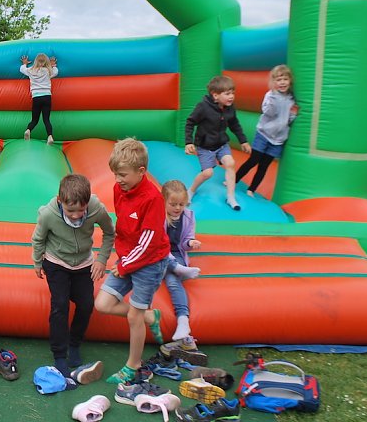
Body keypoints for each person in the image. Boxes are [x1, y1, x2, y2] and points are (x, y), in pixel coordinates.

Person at [94, 138, 169, 384]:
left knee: (133, 316)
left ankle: (133, 365)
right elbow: (124, 222)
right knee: (103, 304)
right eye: (115, 174)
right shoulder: (120, 189)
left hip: (149, 263)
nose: (117, 180)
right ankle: (150, 316)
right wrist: (122, 254)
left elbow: (148, 241)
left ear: (141, 172)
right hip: (128, 256)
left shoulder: (153, 198)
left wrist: (125, 265)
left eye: (123, 174)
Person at [32, 173, 115, 377]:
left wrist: (102, 259)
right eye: (71, 210)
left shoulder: (96, 208)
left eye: (81, 210)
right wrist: (37, 262)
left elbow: (109, 232)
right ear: (60, 201)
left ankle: (74, 343)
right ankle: (59, 354)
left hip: (83, 263)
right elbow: (38, 238)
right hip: (56, 262)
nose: (76, 215)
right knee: (59, 305)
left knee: (86, 304)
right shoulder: (48, 214)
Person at [184, 75, 251, 210]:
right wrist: (188, 142)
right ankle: (190, 191)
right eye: (227, 94)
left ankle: (231, 197)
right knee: (208, 173)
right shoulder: (203, 107)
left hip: (221, 145)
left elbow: (235, 125)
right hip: (205, 147)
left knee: (230, 163)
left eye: (232, 93)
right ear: (215, 96)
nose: (231, 96)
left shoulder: (229, 108)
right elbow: (190, 122)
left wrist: (243, 141)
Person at [235, 65, 297, 196]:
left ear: (290, 81)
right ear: (274, 82)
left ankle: (251, 189)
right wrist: (274, 100)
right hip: (264, 134)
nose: (282, 83)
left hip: (278, 140)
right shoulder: (270, 95)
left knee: (264, 166)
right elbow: (268, 112)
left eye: (285, 79)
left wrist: (293, 114)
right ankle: (234, 179)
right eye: (278, 80)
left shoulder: (291, 99)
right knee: (253, 160)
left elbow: (288, 119)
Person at [160, 180, 201, 342]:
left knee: (172, 281)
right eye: (173, 204)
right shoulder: (157, 214)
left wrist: (190, 243)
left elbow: (185, 241)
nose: (177, 208)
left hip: (175, 254)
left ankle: (183, 321)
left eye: (181, 204)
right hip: (157, 251)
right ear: (164, 201)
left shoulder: (188, 216)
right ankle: (177, 267)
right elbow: (158, 242)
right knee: (166, 264)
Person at [20, 53, 59, 144]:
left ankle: (28, 130)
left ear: (36, 61)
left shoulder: (31, 70)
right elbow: (56, 72)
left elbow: (22, 69)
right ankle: (50, 136)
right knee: (46, 119)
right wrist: (53, 65)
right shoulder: (48, 71)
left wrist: (24, 63)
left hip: (36, 97)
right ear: (46, 62)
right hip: (47, 96)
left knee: (34, 119)